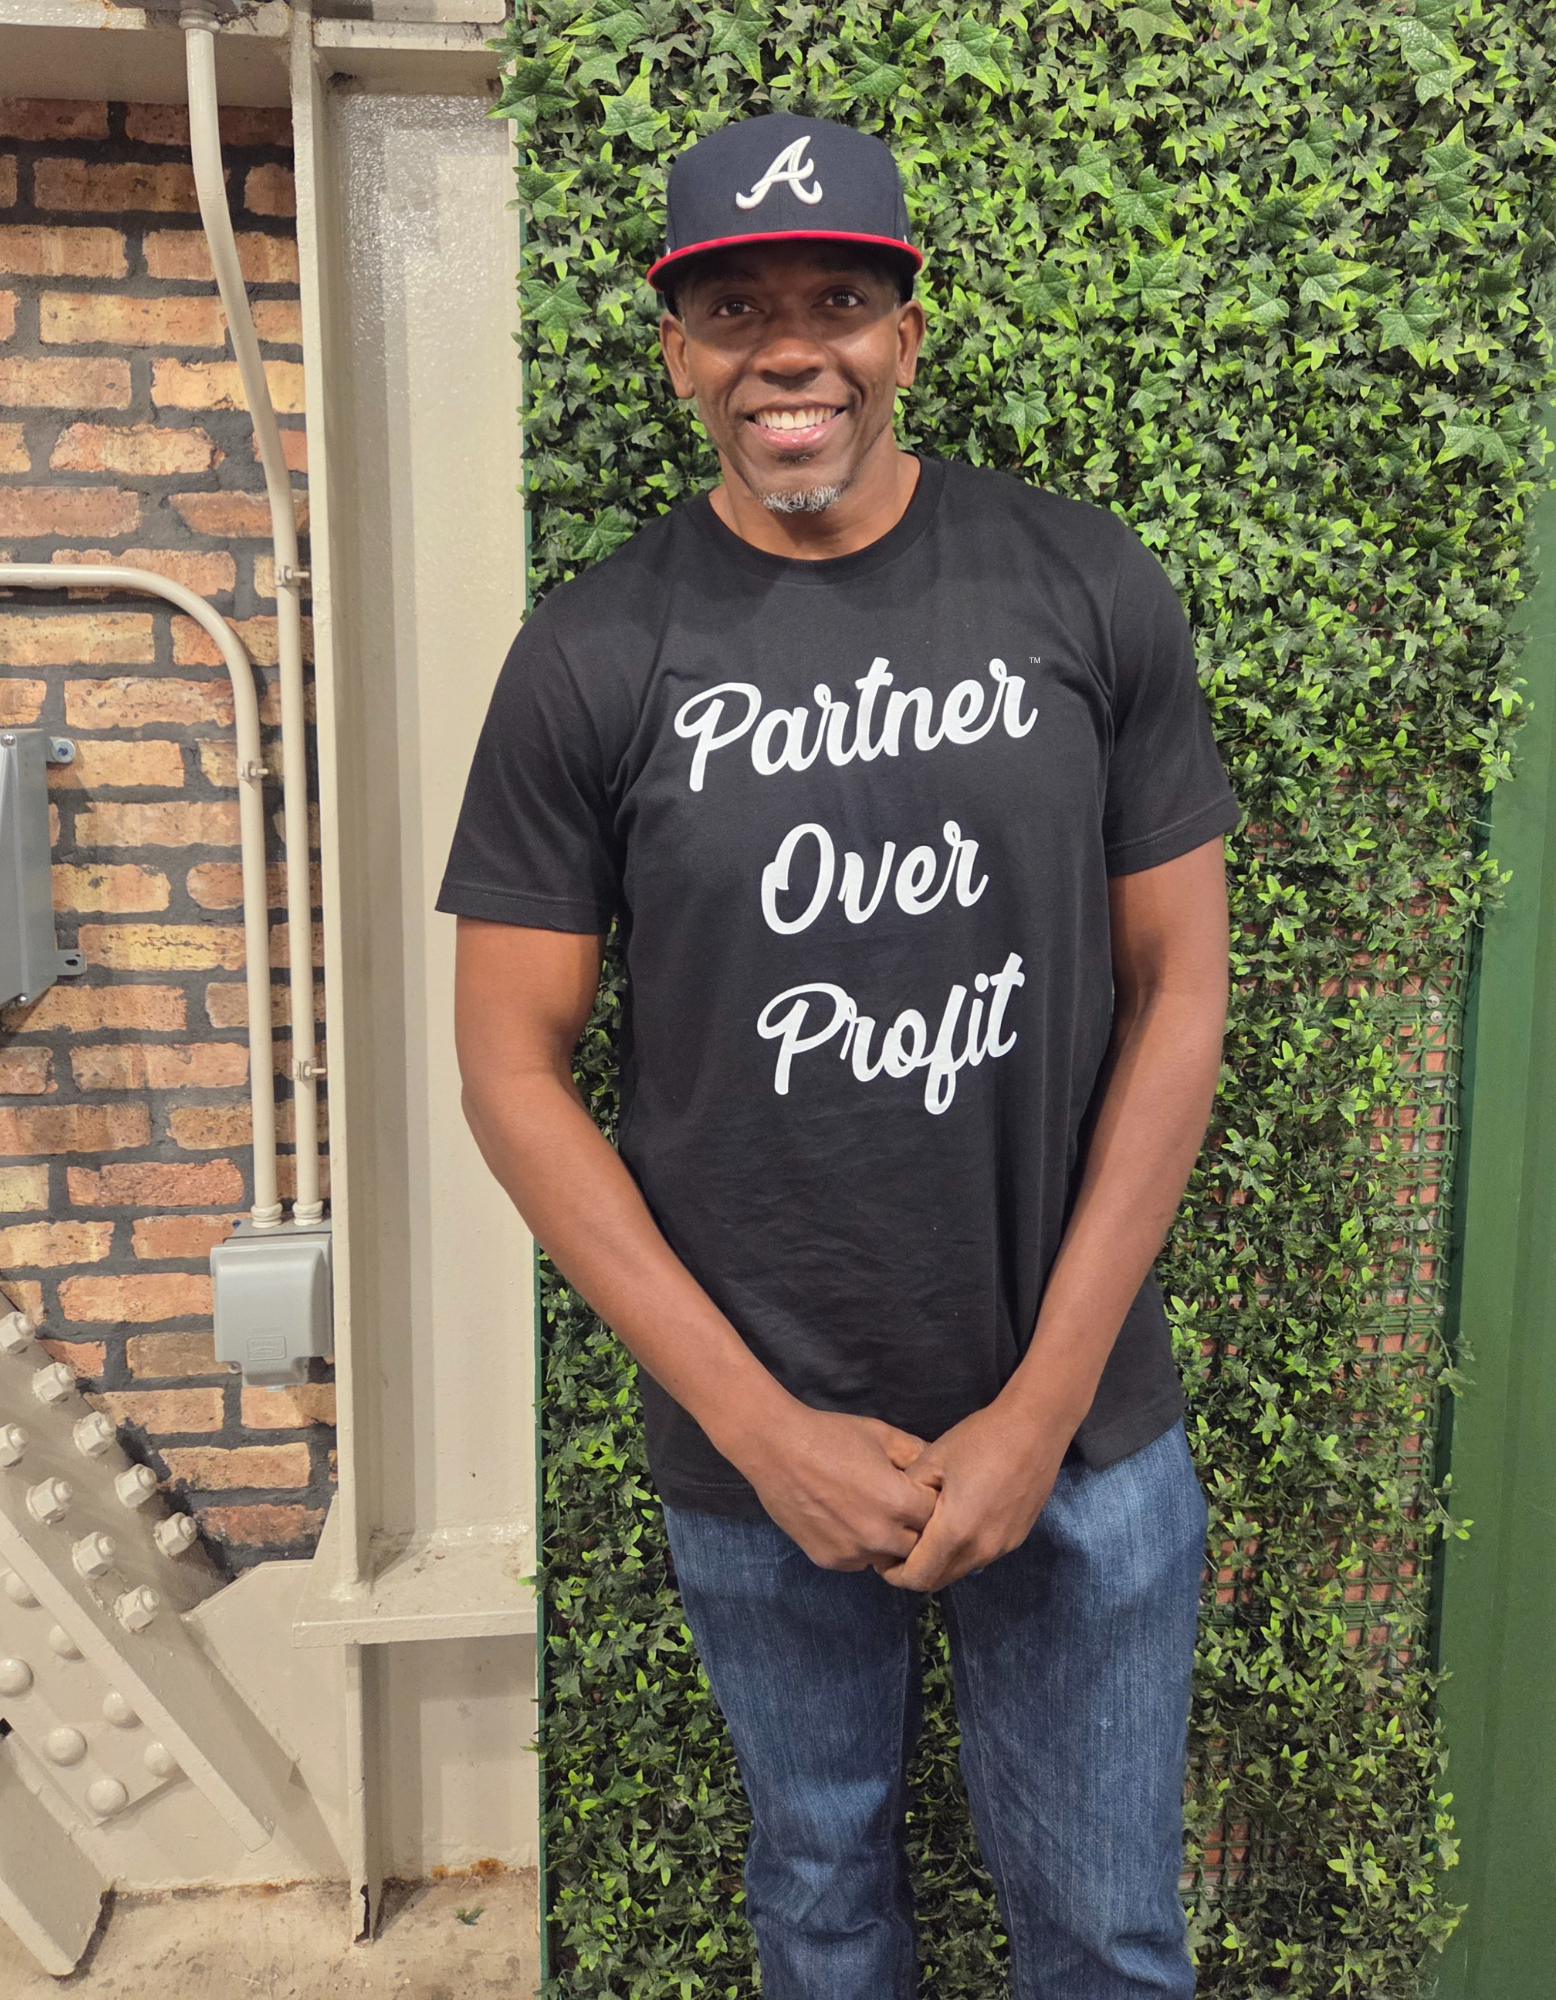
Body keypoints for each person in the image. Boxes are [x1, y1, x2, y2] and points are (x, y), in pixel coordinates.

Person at [438, 110, 1239, 2000]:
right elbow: (509, 1066)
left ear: (905, 329)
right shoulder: (593, 652)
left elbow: (1181, 989)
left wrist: (1041, 1408)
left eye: (836, 300)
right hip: (761, 1443)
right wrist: (759, 1426)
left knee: (1113, 1937)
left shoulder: (1082, 585)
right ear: (675, 351)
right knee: (814, 1908)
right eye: (735, 309)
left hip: (1088, 1431)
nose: (788, 349)